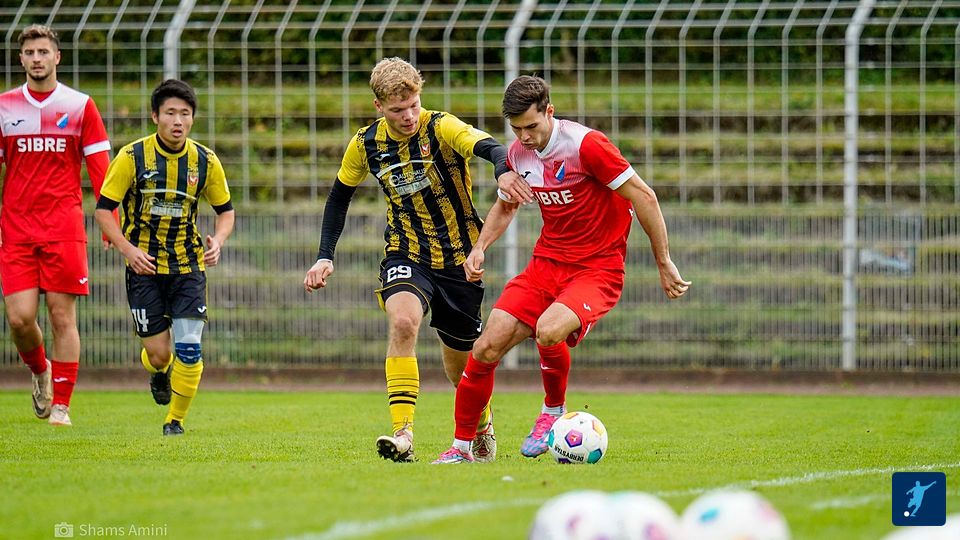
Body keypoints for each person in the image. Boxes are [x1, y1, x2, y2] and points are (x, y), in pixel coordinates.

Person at [433, 75, 691, 464]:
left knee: (548, 329)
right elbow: (506, 205)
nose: (525, 137)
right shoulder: (519, 154)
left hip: (596, 269)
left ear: (549, 111)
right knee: (485, 347)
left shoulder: (587, 146)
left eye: (532, 126)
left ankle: (553, 411)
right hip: (546, 265)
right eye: (517, 129)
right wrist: (480, 248)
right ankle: (463, 449)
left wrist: (664, 260)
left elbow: (644, 195)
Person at [303, 57, 522, 462]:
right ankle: (402, 435)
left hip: (459, 259)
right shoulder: (365, 144)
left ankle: (482, 424)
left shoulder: (441, 126)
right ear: (378, 106)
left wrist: (503, 171)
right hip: (406, 252)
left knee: (460, 368)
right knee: (403, 322)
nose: (408, 116)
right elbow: (338, 197)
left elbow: (491, 147)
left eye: (413, 105)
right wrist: (324, 256)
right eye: (397, 109)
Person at [94, 79, 234, 436]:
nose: (178, 121)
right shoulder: (131, 157)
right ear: (155, 116)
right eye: (170, 113)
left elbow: (226, 212)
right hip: (144, 268)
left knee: (189, 348)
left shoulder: (205, 161)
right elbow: (103, 211)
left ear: (193, 118)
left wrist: (218, 241)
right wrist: (128, 250)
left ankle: (175, 421)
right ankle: (158, 372)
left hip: (188, 266)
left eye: (185, 114)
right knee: (159, 355)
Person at [0, 24, 111, 426]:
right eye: (30, 53)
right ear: (21, 59)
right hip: (16, 228)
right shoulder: (4, 106)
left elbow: (102, 168)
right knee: (19, 318)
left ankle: (61, 406)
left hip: (63, 226)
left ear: (57, 57)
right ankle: (40, 370)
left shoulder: (80, 106)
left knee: (62, 316)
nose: (37, 59)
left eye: (43, 52)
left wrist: (110, 221)